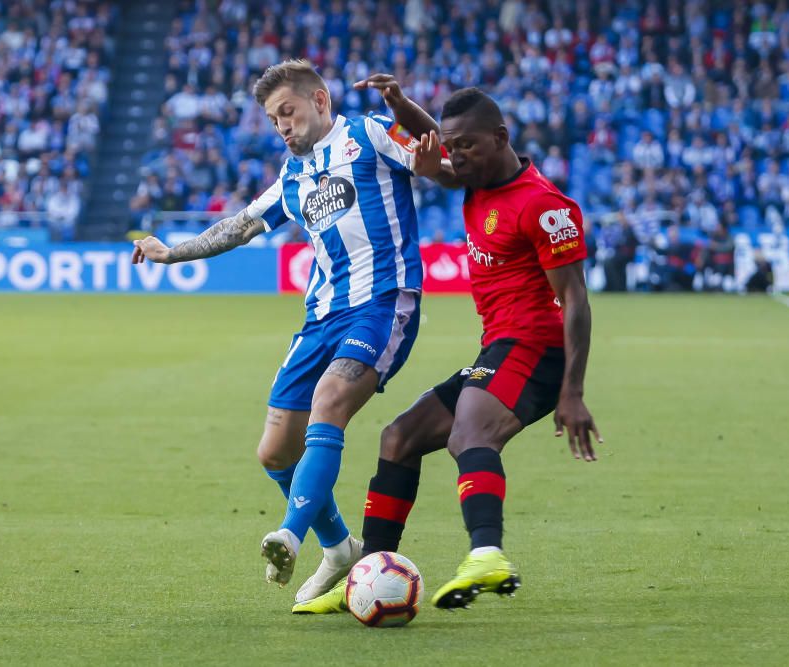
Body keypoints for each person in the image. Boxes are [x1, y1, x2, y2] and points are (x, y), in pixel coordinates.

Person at [131, 60, 443, 606]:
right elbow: (240, 226)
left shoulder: (369, 133)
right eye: (274, 119)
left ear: (320, 101)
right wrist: (171, 252)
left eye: (288, 112)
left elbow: (430, 159)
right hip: (320, 317)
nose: (282, 126)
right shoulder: (293, 177)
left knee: (330, 401)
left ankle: (289, 535)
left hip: (382, 303)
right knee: (275, 452)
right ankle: (339, 548)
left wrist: (429, 153)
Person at [294, 87, 602, 614]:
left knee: (470, 432)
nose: (454, 158)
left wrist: (572, 391)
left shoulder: (544, 205)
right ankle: (367, 574)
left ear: (500, 139)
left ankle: (487, 554)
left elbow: (575, 300)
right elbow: (430, 143)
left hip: (536, 349)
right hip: (498, 347)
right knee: (399, 437)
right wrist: (399, 103)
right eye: (451, 146)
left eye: (467, 146)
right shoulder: (473, 176)